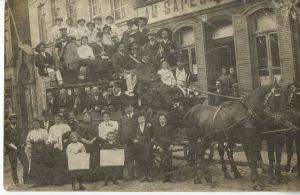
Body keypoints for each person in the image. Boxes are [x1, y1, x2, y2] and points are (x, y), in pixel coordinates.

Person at [4, 114, 29, 185]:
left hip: (20, 149)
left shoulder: (19, 129)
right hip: (11, 150)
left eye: (15, 119)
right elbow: (4, 140)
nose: (14, 120)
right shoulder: (6, 130)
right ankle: (16, 182)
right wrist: (8, 145)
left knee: (26, 164)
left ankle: (26, 180)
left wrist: (24, 143)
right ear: (9, 120)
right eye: (12, 119)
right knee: (13, 165)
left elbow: (24, 138)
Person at [48, 114, 71, 185]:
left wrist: (66, 139)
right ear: (54, 119)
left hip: (64, 147)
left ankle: (66, 180)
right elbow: (50, 137)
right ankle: (58, 180)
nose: (57, 120)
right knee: (57, 164)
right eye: (56, 119)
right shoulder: (52, 128)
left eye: (58, 119)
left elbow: (70, 135)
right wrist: (52, 140)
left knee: (64, 163)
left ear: (61, 119)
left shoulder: (65, 126)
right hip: (56, 147)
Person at [77, 111, 100, 181]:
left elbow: (97, 134)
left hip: (93, 144)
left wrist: (92, 141)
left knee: (93, 161)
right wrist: (85, 141)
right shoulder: (80, 125)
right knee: (85, 161)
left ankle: (94, 178)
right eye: (85, 116)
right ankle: (85, 178)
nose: (87, 117)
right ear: (83, 117)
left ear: (90, 117)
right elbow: (78, 135)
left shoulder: (95, 124)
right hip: (84, 145)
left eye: (88, 116)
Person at [26, 119, 49, 186]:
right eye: (34, 124)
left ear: (39, 124)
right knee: (35, 166)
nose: (35, 125)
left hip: (42, 150)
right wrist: (31, 141)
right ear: (32, 125)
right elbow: (27, 141)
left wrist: (43, 139)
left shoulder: (44, 131)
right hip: (35, 151)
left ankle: (44, 181)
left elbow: (47, 139)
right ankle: (37, 182)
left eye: (37, 123)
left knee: (43, 165)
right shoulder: (31, 132)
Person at [153, 114, 175, 182]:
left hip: (168, 146)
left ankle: (170, 177)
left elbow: (173, 137)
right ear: (159, 120)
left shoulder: (169, 127)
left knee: (169, 161)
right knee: (163, 161)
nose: (161, 120)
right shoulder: (156, 128)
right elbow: (155, 139)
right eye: (160, 119)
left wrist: (172, 144)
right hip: (161, 146)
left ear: (165, 120)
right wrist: (158, 146)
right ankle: (165, 176)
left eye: (163, 119)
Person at [118, 104, 137, 180]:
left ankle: (140, 174)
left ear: (132, 108)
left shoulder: (136, 116)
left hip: (135, 141)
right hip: (126, 142)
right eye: (126, 108)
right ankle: (130, 175)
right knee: (129, 158)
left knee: (138, 158)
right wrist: (119, 140)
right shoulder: (122, 118)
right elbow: (119, 130)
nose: (128, 109)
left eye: (129, 107)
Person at [133, 113, 153, 182]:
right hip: (139, 146)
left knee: (148, 160)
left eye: (142, 119)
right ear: (138, 120)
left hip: (147, 145)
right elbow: (133, 135)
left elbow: (153, 134)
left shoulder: (149, 126)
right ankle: (143, 176)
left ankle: (149, 176)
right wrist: (134, 139)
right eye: (139, 119)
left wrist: (151, 140)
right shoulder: (136, 127)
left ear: (144, 119)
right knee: (141, 161)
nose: (141, 120)